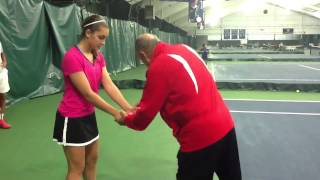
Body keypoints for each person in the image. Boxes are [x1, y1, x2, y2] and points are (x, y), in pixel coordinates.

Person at [116, 33, 241, 180]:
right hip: (226, 127)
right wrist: (142, 105)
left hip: (199, 139)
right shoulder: (185, 48)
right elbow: (172, 90)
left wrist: (126, 120)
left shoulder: (158, 66)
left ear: (142, 55)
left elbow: (142, 120)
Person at [53, 15, 132, 180]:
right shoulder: (72, 57)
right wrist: (115, 112)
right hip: (72, 118)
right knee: (77, 167)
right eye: (100, 37)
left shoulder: (98, 56)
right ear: (88, 33)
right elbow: (88, 94)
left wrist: (128, 108)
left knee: (92, 161)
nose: (103, 42)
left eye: (105, 38)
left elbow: (109, 84)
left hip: (88, 116)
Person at [0, 40, 11, 129]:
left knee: (3, 96)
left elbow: (2, 54)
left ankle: (1, 120)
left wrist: (4, 62)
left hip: (2, 73)